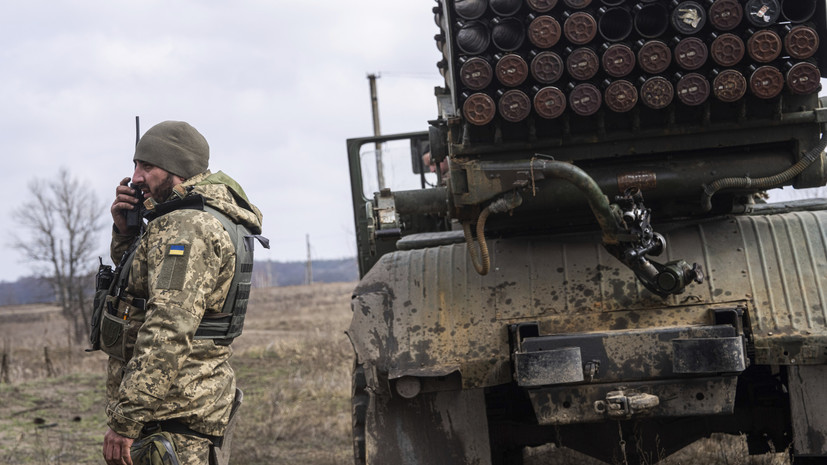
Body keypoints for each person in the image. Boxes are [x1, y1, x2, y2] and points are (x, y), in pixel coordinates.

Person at [101, 120, 264, 465]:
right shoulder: (195, 217)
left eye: (147, 166)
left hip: (172, 416)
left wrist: (126, 419)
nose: (136, 177)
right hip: (181, 409)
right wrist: (125, 233)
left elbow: (167, 328)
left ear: (176, 169)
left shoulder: (186, 228)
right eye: (135, 164)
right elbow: (143, 286)